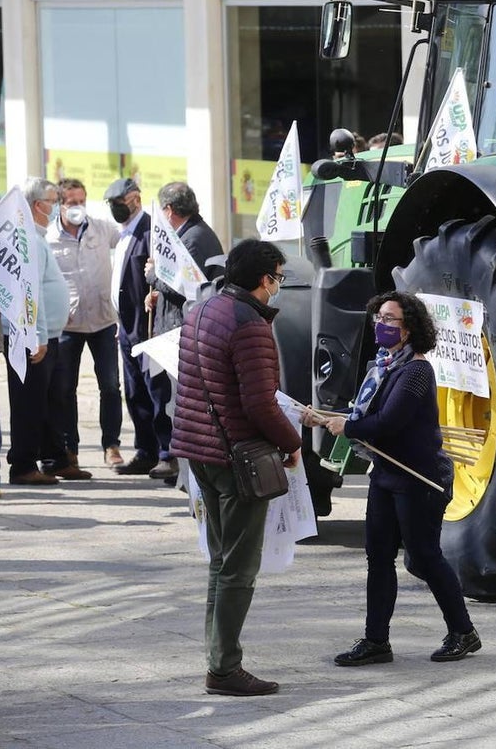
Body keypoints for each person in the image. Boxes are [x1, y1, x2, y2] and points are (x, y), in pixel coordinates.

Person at [319, 291, 480, 667]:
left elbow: (388, 424)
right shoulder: (384, 367)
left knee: (424, 558)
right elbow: (368, 414)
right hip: (387, 475)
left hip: (419, 480)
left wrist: (349, 427)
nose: (381, 324)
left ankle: (463, 631)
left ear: (409, 330)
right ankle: (376, 640)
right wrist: (330, 417)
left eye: (390, 319)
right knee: (378, 558)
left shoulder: (417, 372)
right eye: (379, 316)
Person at [171, 238, 302, 697]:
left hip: (199, 452)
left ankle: (217, 659)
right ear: (265, 280)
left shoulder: (203, 310)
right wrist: (293, 443)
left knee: (221, 562)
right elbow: (259, 404)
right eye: (279, 278)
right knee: (238, 569)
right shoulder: (250, 325)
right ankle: (224, 669)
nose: (279, 286)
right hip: (236, 457)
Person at [3, 178, 80, 485]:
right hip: (32, 338)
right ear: (37, 205)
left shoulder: (37, 237)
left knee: (50, 402)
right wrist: (39, 335)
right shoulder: (28, 240)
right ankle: (23, 465)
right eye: (53, 200)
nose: (57, 206)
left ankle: (54, 459)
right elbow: (29, 293)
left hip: (45, 336)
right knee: (29, 403)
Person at [45, 178, 125, 471]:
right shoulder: (49, 238)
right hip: (68, 324)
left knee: (110, 386)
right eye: (71, 202)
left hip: (103, 321)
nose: (78, 207)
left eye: (81, 200)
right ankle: (70, 450)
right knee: (65, 389)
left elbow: (129, 239)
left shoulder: (102, 228)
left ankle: (112, 445)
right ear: (60, 205)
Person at [106, 177, 176, 479]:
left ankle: (165, 453)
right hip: (126, 327)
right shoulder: (124, 233)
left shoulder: (150, 232)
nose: (115, 209)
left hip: (146, 328)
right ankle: (145, 450)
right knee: (135, 393)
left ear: (135, 199)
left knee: (155, 392)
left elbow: (160, 276)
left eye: (119, 203)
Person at [144, 182, 225, 335]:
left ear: (169, 210)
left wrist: (153, 275)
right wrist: (160, 295)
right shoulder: (192, 233)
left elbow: (186, 285)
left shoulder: (192, 239)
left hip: (184, 328)